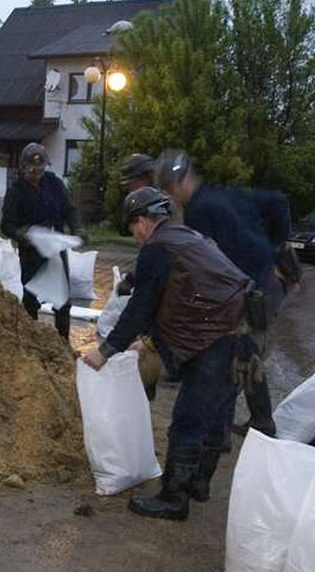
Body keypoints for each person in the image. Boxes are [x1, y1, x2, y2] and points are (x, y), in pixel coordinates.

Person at [82, 187, 252, 521]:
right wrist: (146, 341)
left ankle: (174, 498)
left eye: (132, 228)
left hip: (214, 338)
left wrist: (106, 351)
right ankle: (198, 485)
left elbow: (141, 307)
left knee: (187, 420)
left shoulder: (158, 248)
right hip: (242, 330)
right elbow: (177, 298)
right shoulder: (187, 236)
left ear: (143, 221)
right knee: (215, 415)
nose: (134, 237)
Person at [155, 149, 290, 440]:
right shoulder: (225, 194)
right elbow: (278, 201)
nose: (171, 197)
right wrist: (276, 250)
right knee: (245, 352)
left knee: (229, 360)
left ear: (183, 180)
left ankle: (221, 436)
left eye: (170, 189)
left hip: (252, 296)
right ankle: (260, 422)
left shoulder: (200, 211)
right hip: (265, 285)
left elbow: (200, 268)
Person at [1, 143, 82, 339]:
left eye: (39, 170)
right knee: (30, 299)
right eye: (31, 171)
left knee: (62, 299)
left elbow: (69, 209)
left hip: (55, 249)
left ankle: (63, 343)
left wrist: (77, 227)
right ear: (23, 168)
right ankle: (33, 343)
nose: (36, 174)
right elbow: (7, 225)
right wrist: (23, 234)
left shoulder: (54, 183)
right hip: (31, 253)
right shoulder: (16, 190)